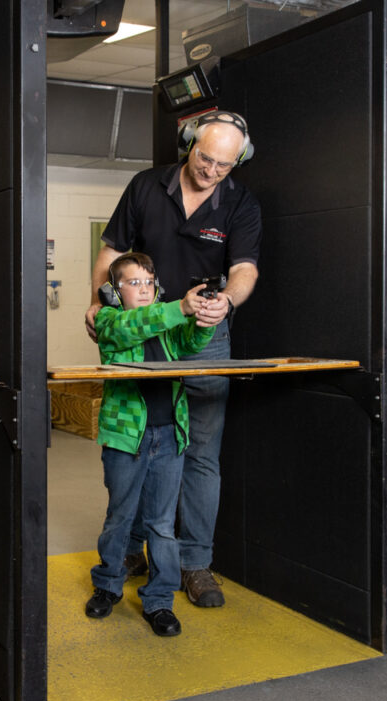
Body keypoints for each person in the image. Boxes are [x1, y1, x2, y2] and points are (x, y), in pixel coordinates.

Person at [85, 109, 262, 608]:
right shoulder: (145, 187)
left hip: (203, 334)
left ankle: (194, 563)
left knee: (200, 453)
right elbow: (111, 250)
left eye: (225, 165)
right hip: (142, 331)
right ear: (189, 144)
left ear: (238, 162)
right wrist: (99, 300)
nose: (211, 171)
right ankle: (133, 550)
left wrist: (227, 301)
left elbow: (244, 269)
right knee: (140, 443)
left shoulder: (241, 202)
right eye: (205, 158)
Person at [85, 252, 217, 636]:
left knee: (161, 525)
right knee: (120, 518)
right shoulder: (110, 321)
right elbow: (134, 327)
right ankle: (107, 585)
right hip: (127, 439)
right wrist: (178, 306)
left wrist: (208, 318)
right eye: (133, 283)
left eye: (148, 283)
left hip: (170, 435)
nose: (143, 291)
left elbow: (191, 340)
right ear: (114, 291)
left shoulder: (165, 321)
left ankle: (159, 600)